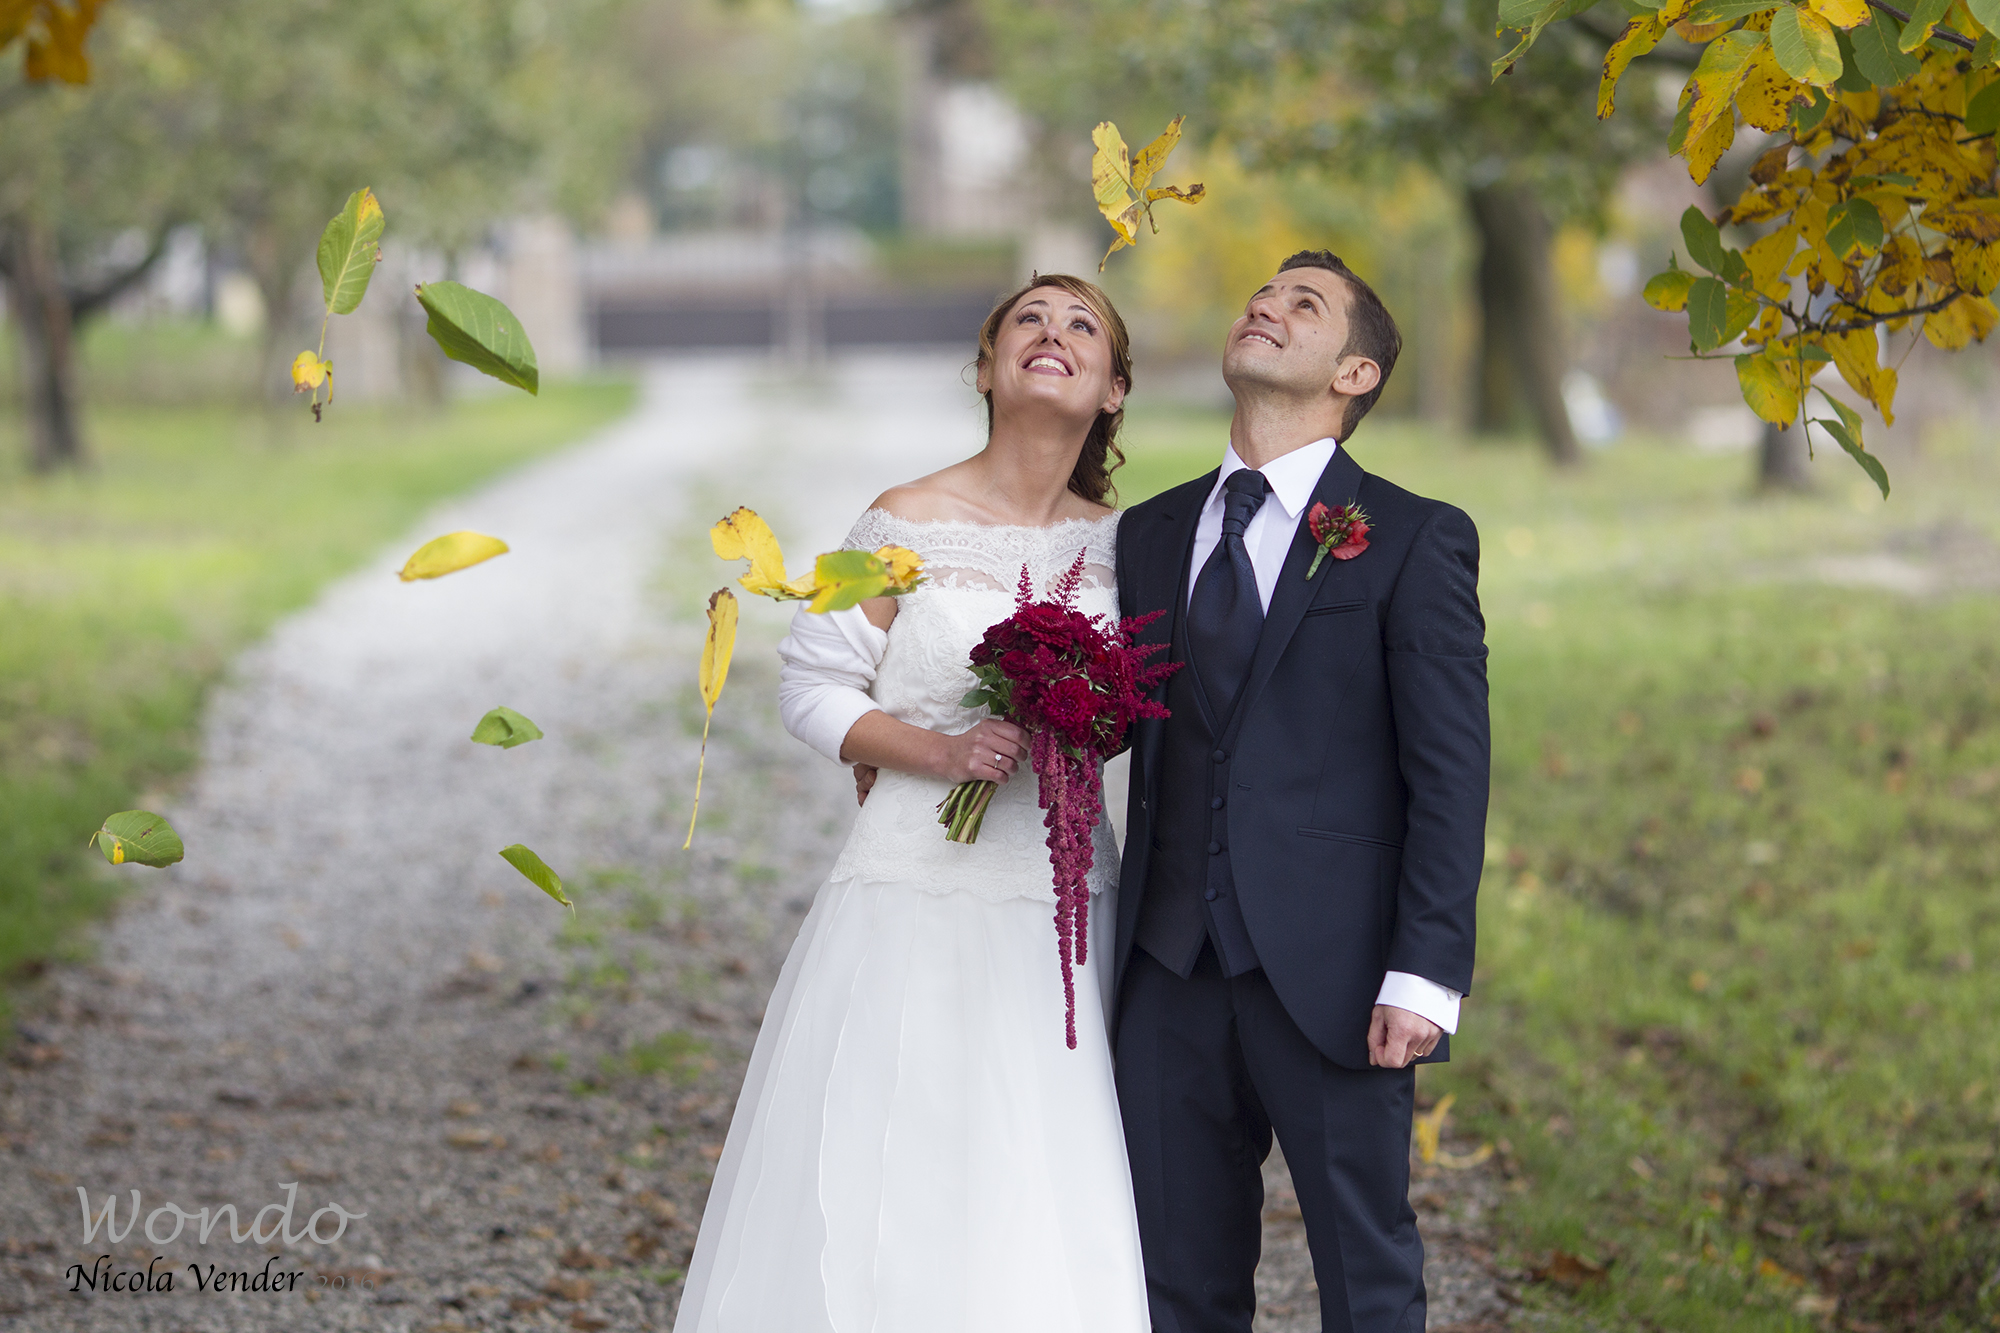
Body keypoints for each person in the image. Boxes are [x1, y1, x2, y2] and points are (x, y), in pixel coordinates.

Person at [672, 274, 1151, 1332]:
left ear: (1113, 389)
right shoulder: (901, 519)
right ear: (985, 368)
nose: (1050, 334)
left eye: (1082, 328)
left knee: (1041, 1163)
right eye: (1026, 320)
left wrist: (1091, 721)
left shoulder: (1129, 549)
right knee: (895, 1151)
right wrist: (935, 749)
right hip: (912, 890)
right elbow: (808, 684)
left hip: (1063, 905)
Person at [1111, 251, 1489, 1333]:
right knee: (1174, 1281)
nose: (1264, 307)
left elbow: (1449, 766)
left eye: (1302, 303)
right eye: (1260, 295)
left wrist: (1424, 973)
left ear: (1355, 373)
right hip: (1167, 968)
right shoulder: (1148, 532)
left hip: (1337, 976)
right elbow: (1117, 720)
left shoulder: (1412, 537)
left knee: (1363, 1275)